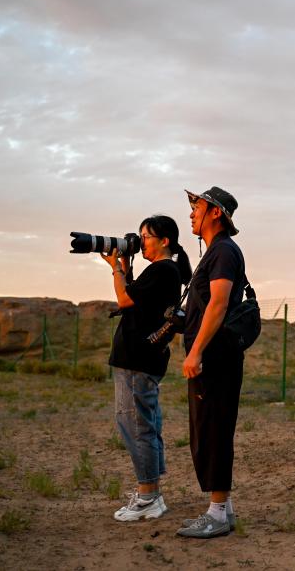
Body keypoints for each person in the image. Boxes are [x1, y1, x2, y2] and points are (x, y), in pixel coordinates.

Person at [101, 214, 191, 522]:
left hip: (137, 359)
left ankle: (148, 496)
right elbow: (136, 297)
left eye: (146, 236)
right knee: (144, 424)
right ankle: (150, 493)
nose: (141, 242)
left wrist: (114, 266)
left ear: (164, 241)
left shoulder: (163, 269)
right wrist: (125, 267)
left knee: (135, 425)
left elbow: (124, 299)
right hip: (141, 359)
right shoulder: (164, 271)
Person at [176, 187, 248, 539]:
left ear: (215, 212)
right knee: (209, 427)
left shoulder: (222, 250)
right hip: (214, 355)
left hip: (216, 357)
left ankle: (217, 513)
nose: (191, 213)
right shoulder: (217, 252)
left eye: (197, 207)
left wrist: (196, 351)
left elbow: (219, 303)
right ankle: (225, 509)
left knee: (213, 429)